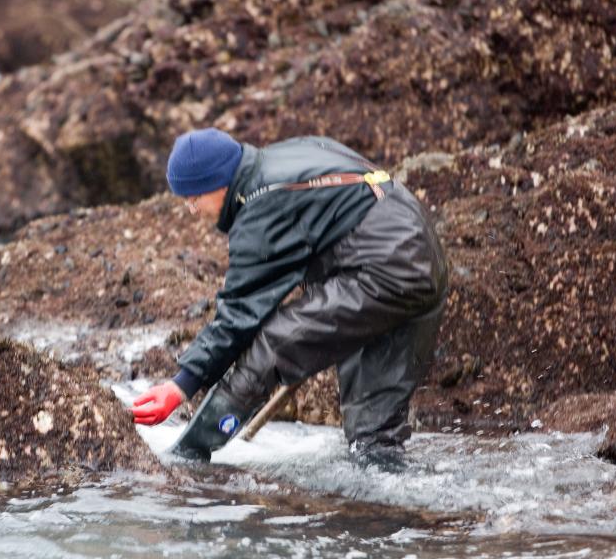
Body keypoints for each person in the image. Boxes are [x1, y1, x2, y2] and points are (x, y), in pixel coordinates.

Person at [131, 128, 448, 466]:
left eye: (193, 198)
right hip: (423, 257)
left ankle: (190, 454)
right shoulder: (284, 155)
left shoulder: (260, 204)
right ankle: (387, 511)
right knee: (374, 440)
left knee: (274, 343)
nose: (192, 210)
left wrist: (181, 385)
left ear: (218, 182)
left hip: (386, 270)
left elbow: (239, 316)